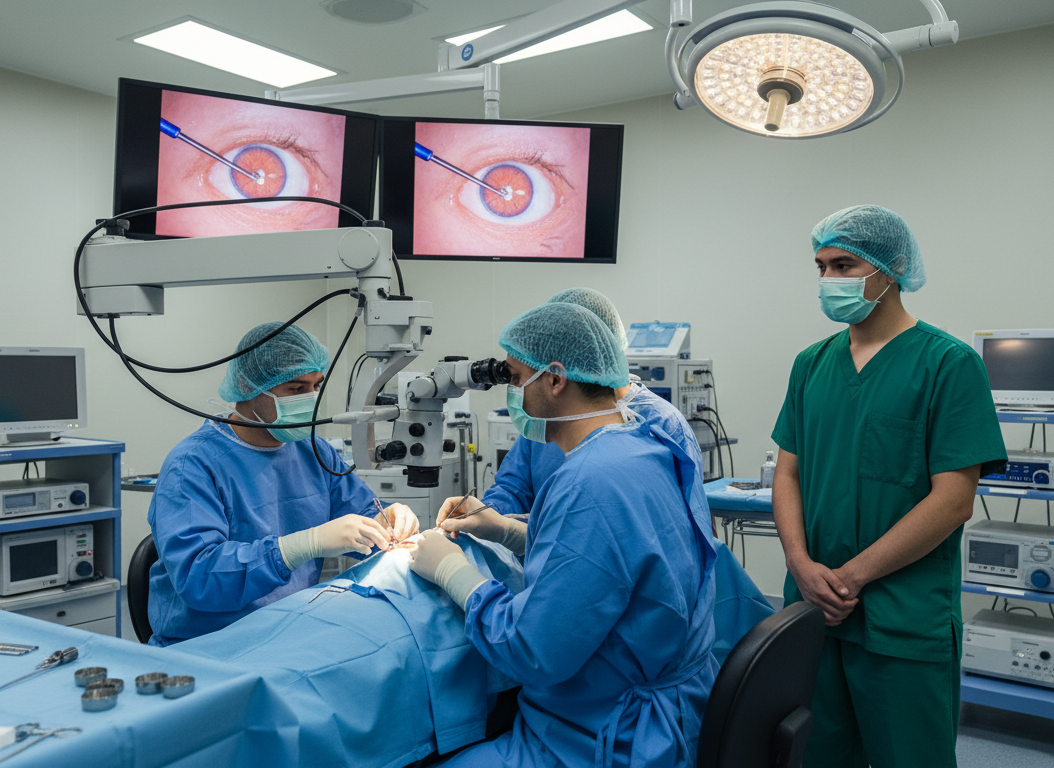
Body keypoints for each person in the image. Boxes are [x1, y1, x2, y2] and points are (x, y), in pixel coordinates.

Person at [409, 301, 718, 767]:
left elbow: (532, 652)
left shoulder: (589, 481)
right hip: (670, 707)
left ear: (555, 379)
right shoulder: (642, 448)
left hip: (602, 737)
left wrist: (455, 574)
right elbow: (617, 557)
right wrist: (509, 530)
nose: (512, 393)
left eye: (514, 379)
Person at [771, 205, 1006, 767]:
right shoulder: (811, 364)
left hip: (901, 619)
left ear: (890, 268)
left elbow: (952, 501)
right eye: (821, 267)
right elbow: (788, 473)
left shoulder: (948, 364)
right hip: (813, 608)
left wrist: (849, 579)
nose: (829, 280)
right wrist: (802, 567)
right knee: (815, 754)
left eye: (844, 265)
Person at [146, 322, 418, 646]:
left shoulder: (313, 451)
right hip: (211, 645)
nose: (311, 399)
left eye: (316, 385)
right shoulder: (192, 466)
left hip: (291, 633)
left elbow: (360, 513)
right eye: (296, 389)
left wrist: (388, 524)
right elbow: (199, 578)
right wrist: (300, 546)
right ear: (249, 386)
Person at [453, 287, 708, 524]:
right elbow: (513, 487)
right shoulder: (549, 417)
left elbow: (687, 525)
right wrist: (483, 519)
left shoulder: (662, 424)